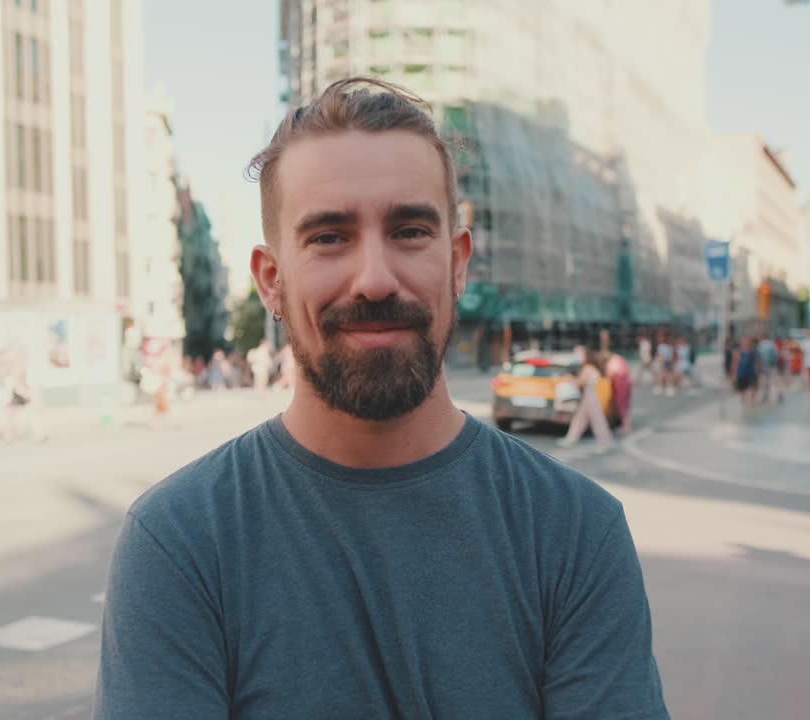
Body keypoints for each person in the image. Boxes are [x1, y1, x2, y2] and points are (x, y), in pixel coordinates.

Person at [93, 77, 668, 720]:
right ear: (271, 280)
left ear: (457, 263)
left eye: (410, 231)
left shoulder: (574, 531)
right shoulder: (179, 542)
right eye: (329, 237)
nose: (373, 280)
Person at [557, 352, 615, 451]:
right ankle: (571, 438)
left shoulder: (588, 368)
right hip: (589, 397)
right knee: (579, 419)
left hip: (590, 398)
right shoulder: (592, 367)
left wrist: (569, 378)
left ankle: (605, 442)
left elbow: (579, 382)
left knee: (597, 421)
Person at [732, 336, 760, 411]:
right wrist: (734, 375)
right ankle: (744, 406)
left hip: (751, 373)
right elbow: (735, 364)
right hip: (741, 373)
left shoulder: (753, 352)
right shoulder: (738, 352)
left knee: (752, 389)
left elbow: (757, 362)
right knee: (743, 391)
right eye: (744, 342)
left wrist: (758, 371)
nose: (746, 343)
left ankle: (752, 403)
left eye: (747, 342)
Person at [654, 330, 675, 396]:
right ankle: (661, 386)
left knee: (667, 375)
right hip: (664, 362)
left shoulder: (667, 346)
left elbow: (669, 355)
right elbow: (660, 355)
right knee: (663, 375)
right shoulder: (662, 346)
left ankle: (668, 387)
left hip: (667, 362)